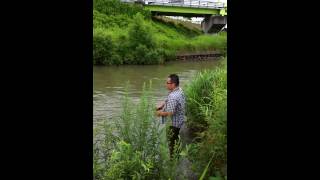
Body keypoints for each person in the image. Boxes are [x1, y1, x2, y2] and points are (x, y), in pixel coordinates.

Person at [156, 74, 186, 158]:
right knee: (176, 141)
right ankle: (178, 156)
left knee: (171, 144)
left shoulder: (173, 96)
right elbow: (168, 100)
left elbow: (170, 113)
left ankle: (173, 161)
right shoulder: (178, 90)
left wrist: (159, 113)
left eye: (167, 83)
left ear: (173, 84)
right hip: (180, 121)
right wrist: (161, 106)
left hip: (173, 124)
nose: (166, 84)